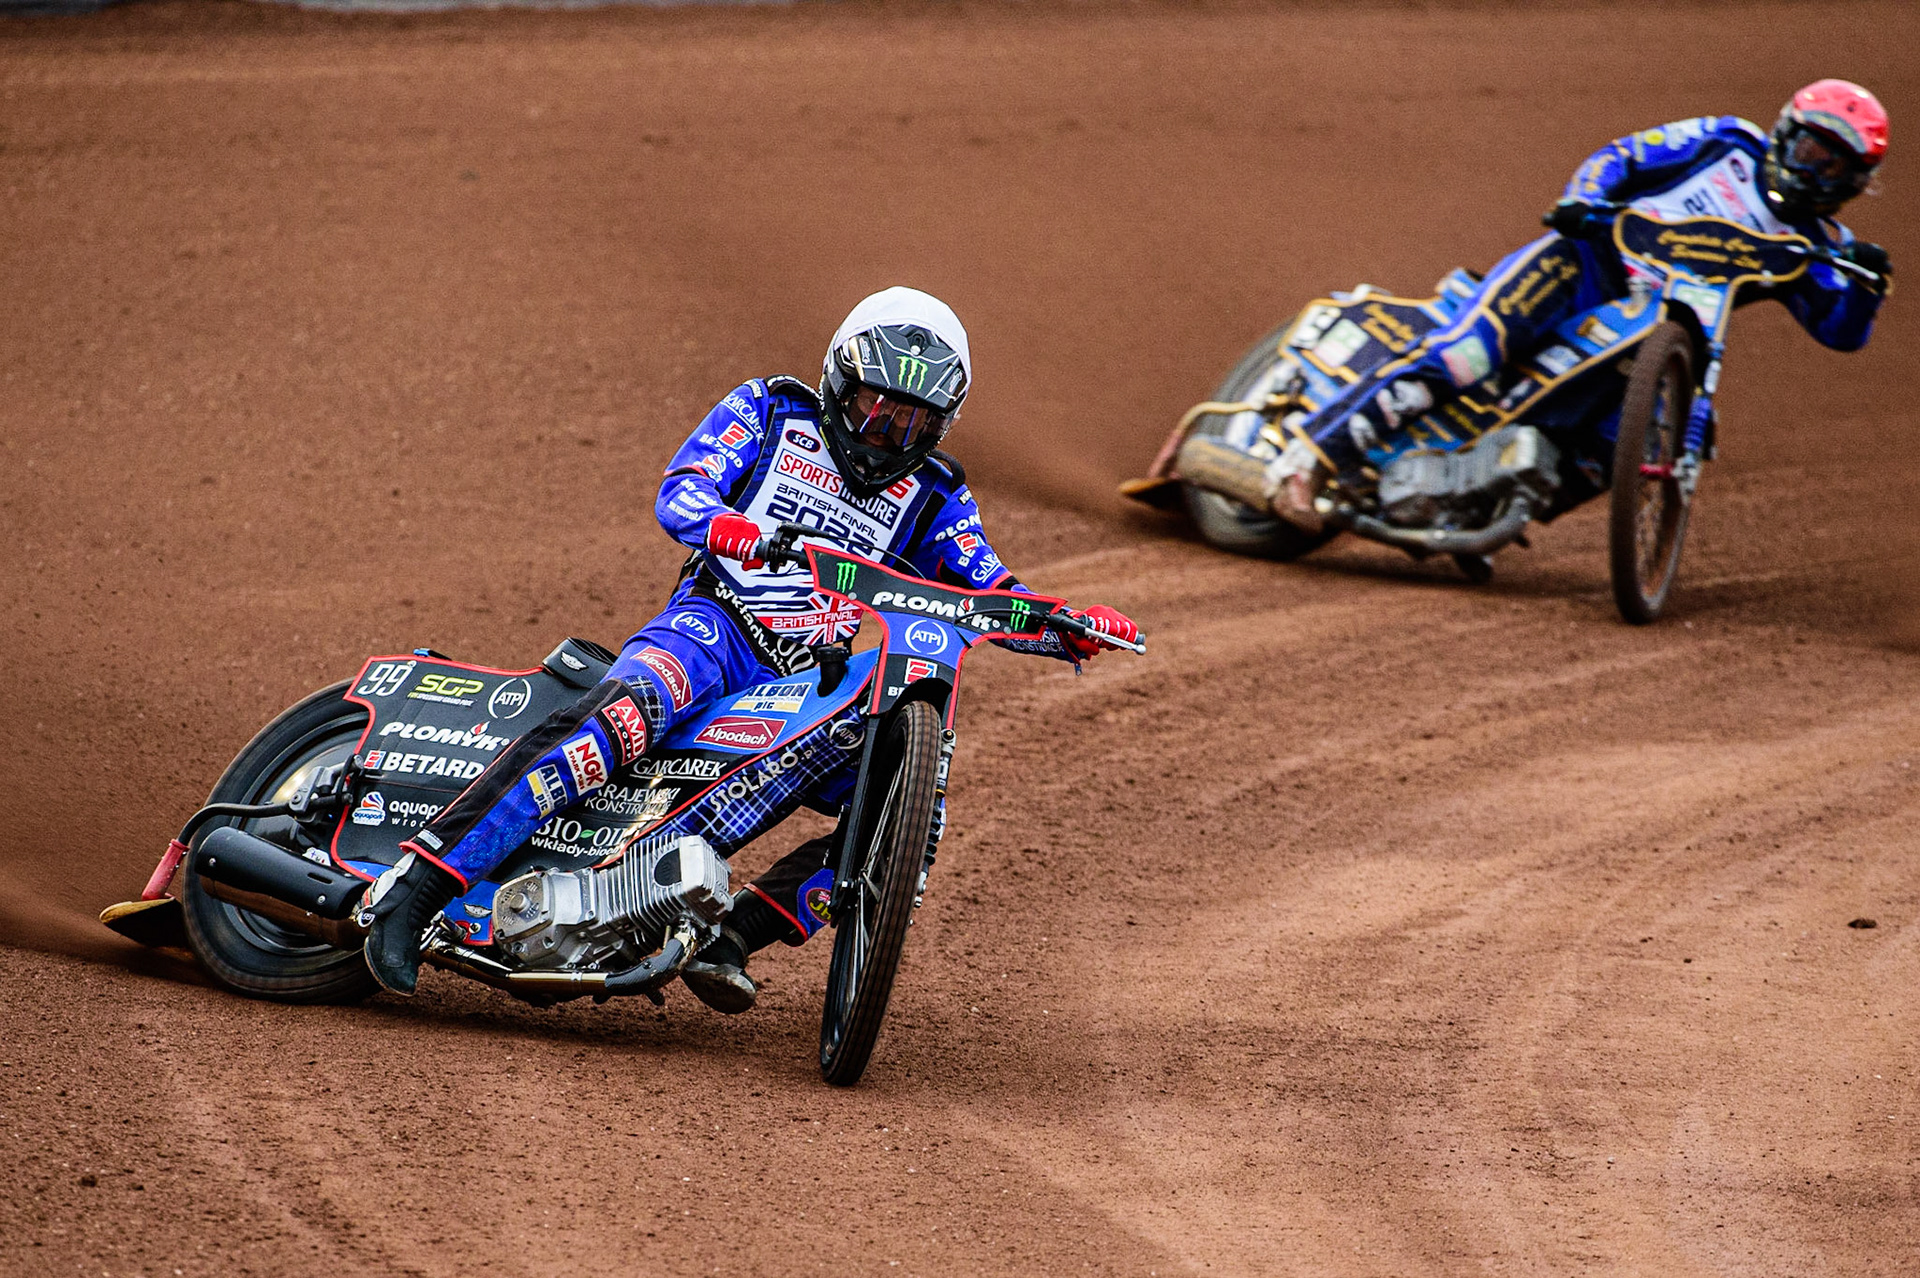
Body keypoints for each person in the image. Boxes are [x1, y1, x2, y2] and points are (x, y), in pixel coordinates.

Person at [359, 287, 1141, 1011]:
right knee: (625, 715)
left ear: (943, 425)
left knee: (907, 811)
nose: (890, 436)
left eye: (914, 424)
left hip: (802, 683)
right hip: (711, 629)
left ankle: (733, 934)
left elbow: (985, 584)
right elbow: (683, 490)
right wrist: (736, 528)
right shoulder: (770, 410)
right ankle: (418, 888)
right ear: (839, 382)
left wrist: (1067, 624)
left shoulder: (937, 493)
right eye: (877, 410)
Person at [1268, 79, 1894, 524]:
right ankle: (1307, 461)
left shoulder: (1820, 245)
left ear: (1856, 184)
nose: (1815, 173)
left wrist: (1867, 289)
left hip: (1660, 329)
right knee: (1464, 355)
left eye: (1835, 168)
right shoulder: (1723, 142)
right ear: (1786, 132)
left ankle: (1480, 505)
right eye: (1811, 151)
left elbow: (1839, 331)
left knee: (1627, 442)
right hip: (1582, 265)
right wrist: (1585, 199)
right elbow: (1622, 156)